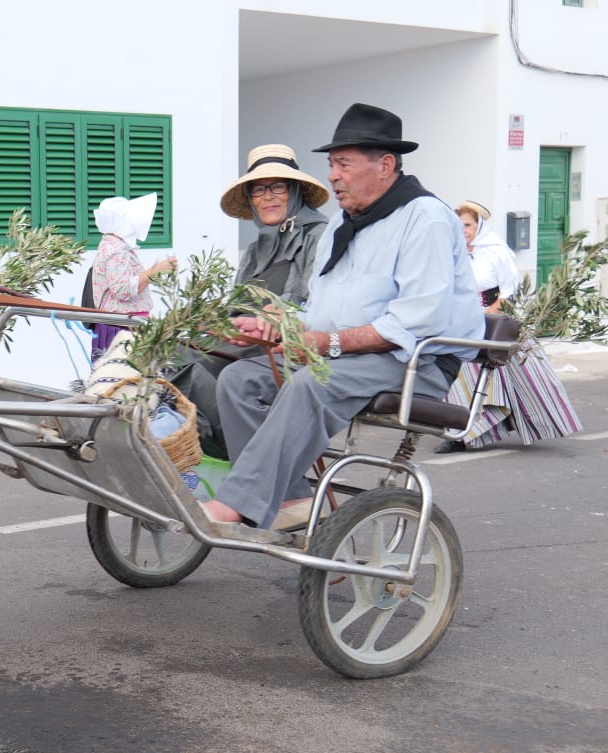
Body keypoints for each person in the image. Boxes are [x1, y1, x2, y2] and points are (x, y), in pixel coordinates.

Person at [202, 103, 484, 533]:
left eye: (343, 164)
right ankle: (292, 494)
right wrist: (278, 326)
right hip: (350, 354)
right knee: (239, 380)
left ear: (385, 165)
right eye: (332, 164)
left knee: (309, 384)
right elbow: (322, 310)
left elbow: (416, 321)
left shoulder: (425, 217)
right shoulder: (340, 224)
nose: (333, 175)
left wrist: (328, 344)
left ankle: (239, 501)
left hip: (414, 361)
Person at [172, 144, 330, 458]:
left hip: (290, 345)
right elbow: (236, 307)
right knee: (175, 352)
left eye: (277, 187)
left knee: (191, 365)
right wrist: (204, 319)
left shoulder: (320, 235)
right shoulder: (256, 249)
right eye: (258, 190)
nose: (267, 196)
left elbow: (314, 301)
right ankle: (217, 449)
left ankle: (252, 458)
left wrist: (277, 315)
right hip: (246, 342)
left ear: (295, 191)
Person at [435, 200, 581, 453]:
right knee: (460, 379)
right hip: (461, 322)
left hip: (493, 322)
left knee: (516, 376)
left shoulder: (496, 252)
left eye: (468, 225)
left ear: (479, 226)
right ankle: (460, 434)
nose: (463, 230)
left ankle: (527, 422)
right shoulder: (452, 251)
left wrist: (490, 313)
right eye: (458, 226)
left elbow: (508, 290)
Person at [86, 193, 176, 357]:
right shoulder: (116, 251)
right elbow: (123, 290)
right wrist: (154, 270)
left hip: (124, 325)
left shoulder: (114, 246)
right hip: (120, 328)